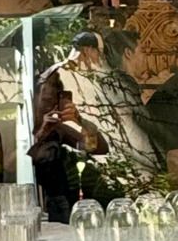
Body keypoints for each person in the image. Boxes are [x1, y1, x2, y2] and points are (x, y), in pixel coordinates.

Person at [29, 30, 163, 219]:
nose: (101, 58)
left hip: (85, 162)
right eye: (99, 52)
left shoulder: (82, 76)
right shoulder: (61, 75)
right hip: (67, 166)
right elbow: (52, 126)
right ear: (87, 50)